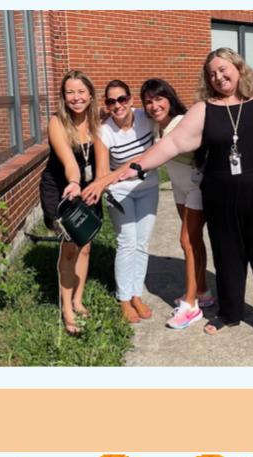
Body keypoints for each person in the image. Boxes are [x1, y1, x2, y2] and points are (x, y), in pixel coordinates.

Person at [84, 48, 253, 347]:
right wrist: (132, 168)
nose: (218, 76)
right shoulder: (205, 109)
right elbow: (172, 143)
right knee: (228, 254)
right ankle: (229, 312)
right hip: (221, 193)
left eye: (223, 69)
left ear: (238, 67)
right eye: (212, 73)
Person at [139, 78, 212, 330]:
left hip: (196, 186)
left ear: (170, 98)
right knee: (194, 241)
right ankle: (201, 290)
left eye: (159, 98)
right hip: (180, 188)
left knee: (187, 241)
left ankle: (191, 306)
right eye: (148, 101)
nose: (154, 105)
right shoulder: (156, 124)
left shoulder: (180, 122)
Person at [83, 80, 159, 324]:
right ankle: (124, 299)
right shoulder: (104, 132)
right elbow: (104, 173)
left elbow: (152, 153)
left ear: (131, 99)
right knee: (127, 241)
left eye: (122, 99)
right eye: (111, 101)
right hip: (119, 192)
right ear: (107, 104)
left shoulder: (146, 117)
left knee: (142, 242)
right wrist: (98, 187)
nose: (117, 105)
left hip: (148, 188)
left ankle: (137, 294)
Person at [39, 70, 106, 336]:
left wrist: (97, 185)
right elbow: (69, 162)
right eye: (70, 92)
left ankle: (78, 299)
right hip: (62, 187)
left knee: (86, 246)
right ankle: (66, 308)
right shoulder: (57, 122)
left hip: (89, 188)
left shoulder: (99, 123)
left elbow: (101, 165)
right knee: (69, 249)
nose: (76, 98)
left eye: (81, 92)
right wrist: (75, 184)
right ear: (63, 97)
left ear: (90, 95)